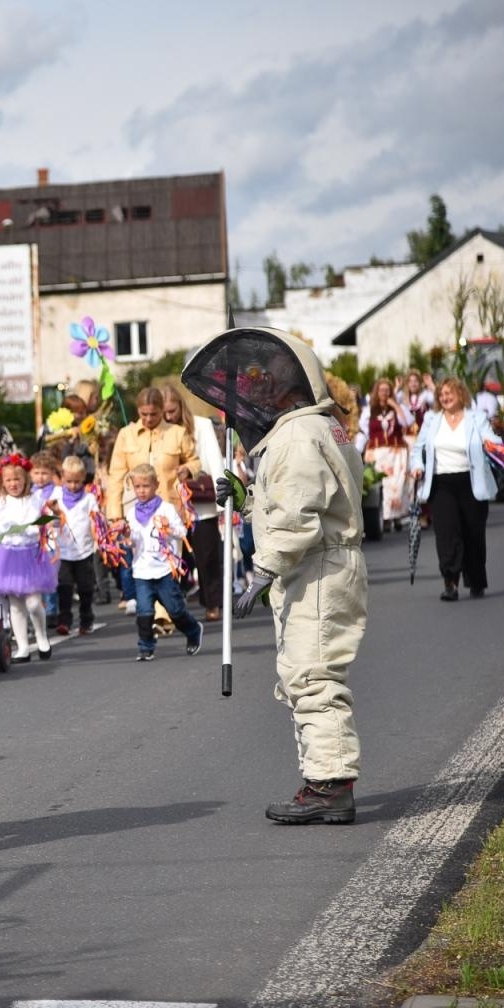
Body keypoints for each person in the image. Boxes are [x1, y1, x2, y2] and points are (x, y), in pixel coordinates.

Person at [184, 326, 366, 824]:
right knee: (308, 674)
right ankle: (325, 781)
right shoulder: (314, 429)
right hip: (318, 565)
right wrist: (242, 499)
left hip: (317, 568)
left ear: (292, 384)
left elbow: (297, 517)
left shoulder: (298, 436)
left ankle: (329, 787)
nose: (257, 392)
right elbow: (289, 505)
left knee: (313, 677)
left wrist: (260, 571)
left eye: (268, 382)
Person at [103, 386, 199, 612]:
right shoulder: (126, 435)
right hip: (136, 512)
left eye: (153, 414)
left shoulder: (176, 432)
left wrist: (188, 469)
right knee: (143, 562)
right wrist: (114, 514)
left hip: (168, 510)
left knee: (168, 563)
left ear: (161, 410)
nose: (147, 419)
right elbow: (115, 474)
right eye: (143, 414)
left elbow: (194, 461)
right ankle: (153, 611)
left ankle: (166, 612)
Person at [410, 377, 502, 600]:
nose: (445, 398)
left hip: (470, 482)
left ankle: (476, 581)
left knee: (473, 534)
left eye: (449, 393)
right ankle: (450, 582)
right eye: (441, 394)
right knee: (446, 535)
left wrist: (493, 444)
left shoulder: (476, 418)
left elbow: (491, 438)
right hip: (441, 484)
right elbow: (418, 449)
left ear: (461, 394)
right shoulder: (432, 420)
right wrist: (418, 466)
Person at [0, 457, 54, 662]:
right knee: (16, 605)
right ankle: (22, 647)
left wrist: (39, 525)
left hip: (30, 555)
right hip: (8, 555)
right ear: (3, 482)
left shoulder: (35, 500)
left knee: (33, 603)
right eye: (9, 480)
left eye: (17, 479)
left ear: (25, 479)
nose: (13, 484)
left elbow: (46, 520)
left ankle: (41, 635)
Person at [124, 463, 203, 661]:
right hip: (142, 570)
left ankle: (193, 631)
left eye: (146, 486)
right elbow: (133, 540)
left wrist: (168, 528)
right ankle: (145, 647)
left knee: (175, 610)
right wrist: (126, 535)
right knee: (144, 611)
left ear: (156, 485)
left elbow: (182, 532)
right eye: (138, 487)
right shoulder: (132, 513)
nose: (142, 491)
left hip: (164, 571)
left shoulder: (166, 508)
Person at [165, 388, 227, 622]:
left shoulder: (201, 425)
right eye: (165, 412)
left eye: (172, 411)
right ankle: (172, 606)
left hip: (201, 505)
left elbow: (214, 460)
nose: (169, 416)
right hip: (171, 507)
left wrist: (223, 504)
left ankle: (213, 602)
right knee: (175, 559)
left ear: (181, 406)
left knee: (207, 557)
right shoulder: (162, 431)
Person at [51, 455, 100, 637]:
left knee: (85, 587)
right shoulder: (56, 496)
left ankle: (86, 619)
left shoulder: (89, 499)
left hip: (84, 550)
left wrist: (98, 538)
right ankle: (64, 620)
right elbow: (50, 520)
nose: (73, 486)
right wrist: (53, 512)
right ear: (62, 477)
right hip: (63, 550)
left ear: (83, 479)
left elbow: (96, 521)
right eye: (69, 481)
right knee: (64, 586)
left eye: (77, 482)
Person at [361, 379, 413, 532]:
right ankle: (385, 518)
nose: (384, 393)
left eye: (387, 390)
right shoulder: (369, 410)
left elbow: (407, 423)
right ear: (377, 392)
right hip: (377, 452)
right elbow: (364, 429)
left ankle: (395, 516)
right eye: (381, 390)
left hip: (396, 451)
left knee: (395, 485)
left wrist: (396, 406)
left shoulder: (398, 407)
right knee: (381, 486)